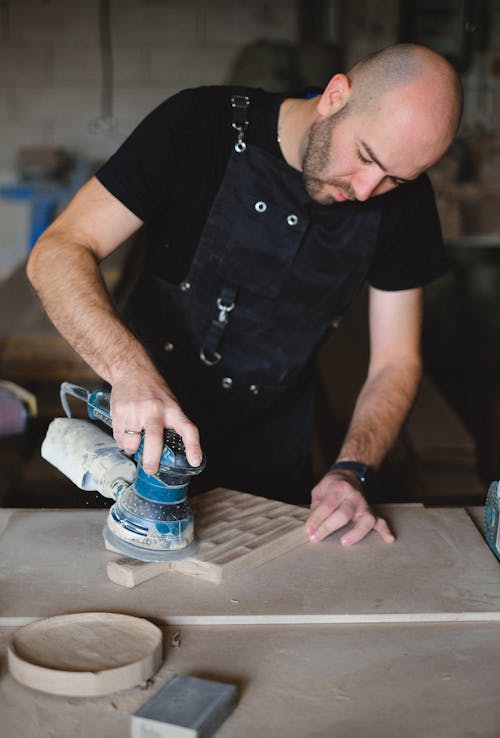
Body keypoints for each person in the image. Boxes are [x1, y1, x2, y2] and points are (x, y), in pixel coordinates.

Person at [27, 43, 462, 547]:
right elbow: (58, 251)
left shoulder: (405, 205)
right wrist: (129, 372)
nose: (367, 189)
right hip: (139, 441)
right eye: (365, 157)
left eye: (395, 179)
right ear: (335, 96)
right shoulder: (196, 125)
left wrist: (350, 470)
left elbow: (396, 362)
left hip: (272, 464)